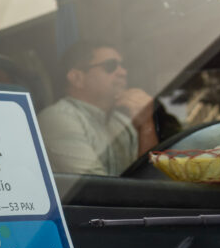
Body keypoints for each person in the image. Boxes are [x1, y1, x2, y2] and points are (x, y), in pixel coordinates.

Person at [38, 43, 157, 175]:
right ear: (77, 78)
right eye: (110, 66)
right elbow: (95, 186)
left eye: (123, 66)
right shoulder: (58, 119)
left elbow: (154, 178)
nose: (123, 72)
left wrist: (146, 124)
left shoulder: (122, 122)